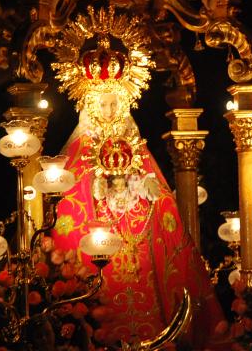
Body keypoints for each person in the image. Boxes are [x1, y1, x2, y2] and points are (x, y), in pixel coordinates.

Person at [48, 38, 229, 349]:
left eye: (113, 104)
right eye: (102, 104)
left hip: (136, 239)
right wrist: (94, 188)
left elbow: (153, 188)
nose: (108, 111)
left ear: (123, 104)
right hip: (96, 239)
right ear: (90, 105)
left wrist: (148, 188)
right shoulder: (81, 148)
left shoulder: (133, 143)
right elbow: (70, 203)